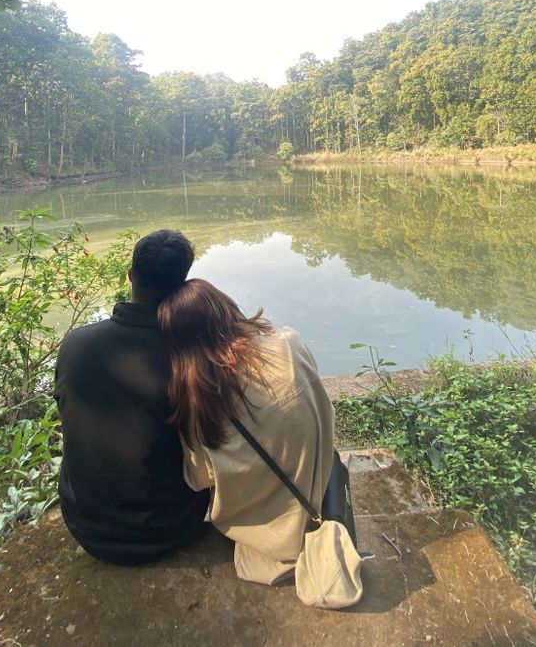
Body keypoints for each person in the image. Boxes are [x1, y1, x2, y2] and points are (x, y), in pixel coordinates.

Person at [157, 278, 335, 584]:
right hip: (319, 489)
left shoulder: (197, 402)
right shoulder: (289, 342)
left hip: (267, 533)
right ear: (227, 309)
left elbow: (199, 479)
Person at [54, 229, 210, 564]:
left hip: (86, 525)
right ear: (183, 286)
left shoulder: (75, 344)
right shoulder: (187, 358)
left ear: (130, 275)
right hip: (170, 527)